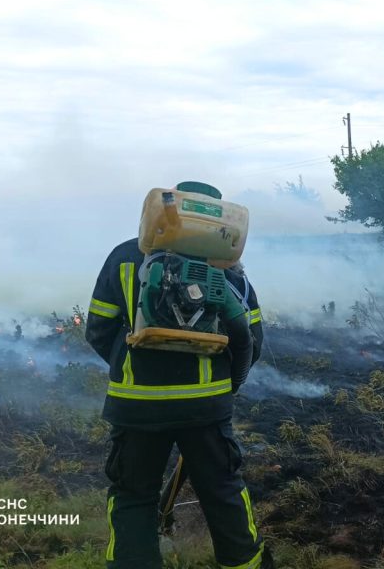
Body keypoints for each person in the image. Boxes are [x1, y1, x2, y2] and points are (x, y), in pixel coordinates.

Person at [85, 181, 270, 569]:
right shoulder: (229, 269)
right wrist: (222, 382)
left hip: (136, 408)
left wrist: (131, 367)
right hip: (206, 408)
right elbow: (250, 341)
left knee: (134, 495)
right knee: (223, 490)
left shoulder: (124, 256)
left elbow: (99, 329)